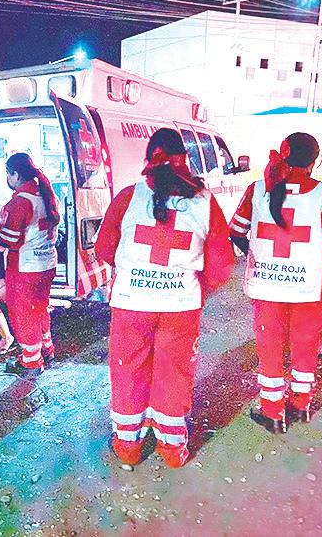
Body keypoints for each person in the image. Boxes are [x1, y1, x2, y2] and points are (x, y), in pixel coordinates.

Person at [95, 128, 234, 468]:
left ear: (148, 159)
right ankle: (172, 450)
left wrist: (133, 272)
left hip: (131, 304)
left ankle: (128, 447)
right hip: (180, 308)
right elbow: (221, 264)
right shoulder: (204, 201)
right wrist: (195, 287)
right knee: (174, 374)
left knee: (128, 372)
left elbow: (104, 248)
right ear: (185, 159)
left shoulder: (128, 197)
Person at [229, 132, 322, 434]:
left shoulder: (257, 189)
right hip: (306, 286)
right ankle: (301, 406)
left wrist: (255, 256)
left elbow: (236, 230)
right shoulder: (321, 192)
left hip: (266, 285)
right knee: (305, 345)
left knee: (269, 347)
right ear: (314, 161)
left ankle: (273, 413)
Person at [0, 153, 60, 377]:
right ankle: (47, 349)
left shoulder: (20, 201)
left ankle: (31, 361)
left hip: (24, 266)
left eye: (8, 174)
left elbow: (8, 240)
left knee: (23, 313)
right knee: (40, 308)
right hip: (46, 263)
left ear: (15, 174)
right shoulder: (45, 194)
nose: (8, 179)